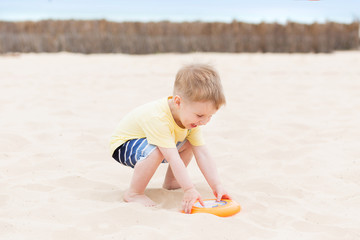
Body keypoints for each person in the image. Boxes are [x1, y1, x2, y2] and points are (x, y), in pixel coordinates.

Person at [110, 64, 231, 214]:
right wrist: (189, 189)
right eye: (200, 116)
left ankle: (172, 183)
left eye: (210, 116)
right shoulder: (159, 118)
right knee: (157, 151)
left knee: (190, 144)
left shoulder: (190, 119)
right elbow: (173, 158)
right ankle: (134, 193)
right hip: (124, 145)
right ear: (178, 102)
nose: (205, 122)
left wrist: (216, 185)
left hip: (149, 144)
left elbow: (203, 153)